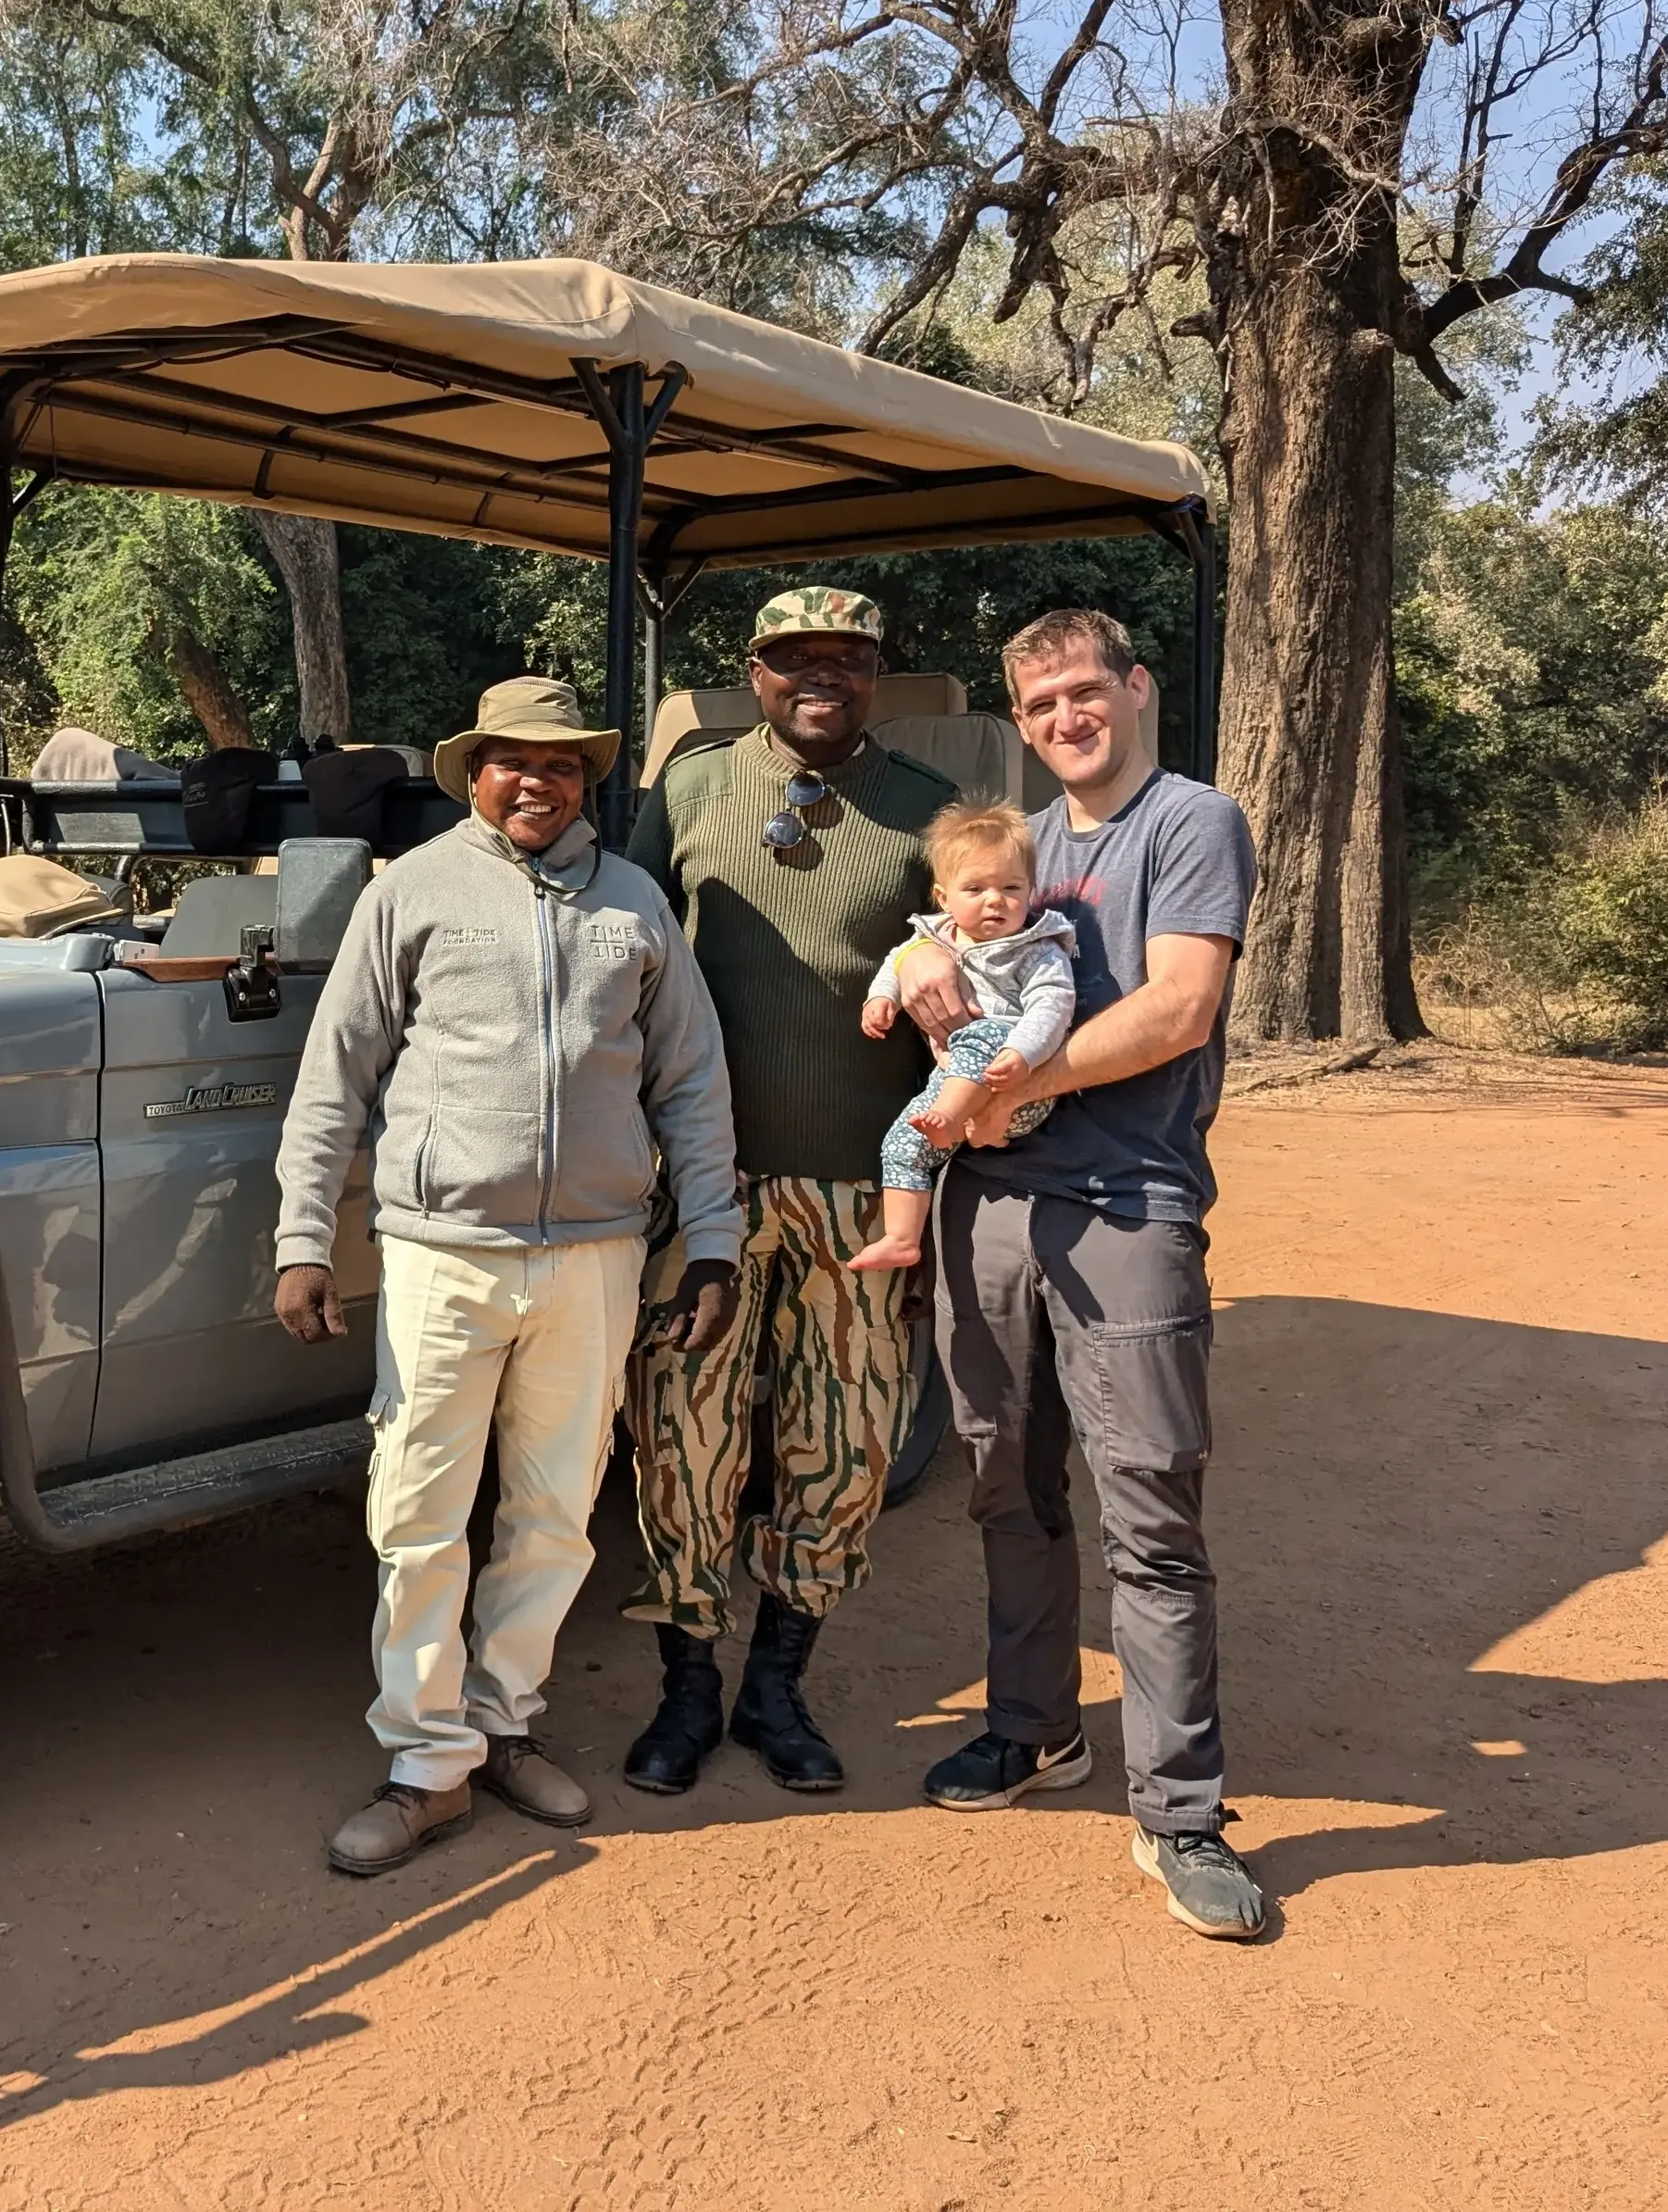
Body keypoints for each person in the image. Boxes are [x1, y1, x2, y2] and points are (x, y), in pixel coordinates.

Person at [274, 675, 743, 1878]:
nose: (537, 781)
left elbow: (690, 1083)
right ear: (473, 770)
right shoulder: (418, 890)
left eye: (563, 764)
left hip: (592, 1260)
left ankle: (502, 1722)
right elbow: (338, 1070)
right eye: (512, 761)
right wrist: (305, 1236)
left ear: (586, 780)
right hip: (441, 1255)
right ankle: (426, 1769)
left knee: (553, 1512)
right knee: (420, 1516)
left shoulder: (632, 905)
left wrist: (712, 1239)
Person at [892, 607, 1270, 1942]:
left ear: (1135, 688)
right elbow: (947, 925)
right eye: (1040, 700)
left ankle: (1180, 1813)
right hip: (991, 1208)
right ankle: (1034, 1729)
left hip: (1128, 1207)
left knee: (1151, 1507)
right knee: (1006, 1482)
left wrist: (1011, 1078)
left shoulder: (1190, 822)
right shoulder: (1023, 846)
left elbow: (1179, 1007)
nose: (1065, 717)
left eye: (1083, 690)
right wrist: (931, 953)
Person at [618, 589, 960, 1793]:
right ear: (752, 671)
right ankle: (688, 1688)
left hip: (865, 1198)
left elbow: (979, 1001)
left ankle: (777, 1688)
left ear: (879, 669)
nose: (822, 677)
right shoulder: (696, 788)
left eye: (850, 658)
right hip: (701, 1192)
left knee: (843, 1445)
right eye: (793, 658)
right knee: (682, 1437)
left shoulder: (933, 811)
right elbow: (629, 956)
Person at [847, 802, 1079, 1274]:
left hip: (1019, 1089)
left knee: (985, 1033)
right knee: (901, 1144)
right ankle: (901, 1238)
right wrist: (881, 1001)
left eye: (1011, 888)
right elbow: (895, 965)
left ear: (1031, 892)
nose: (995, 900)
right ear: (943, 896)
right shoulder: (935, 938)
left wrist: (1022, 1052)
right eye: (975, 889)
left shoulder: (1037, 950)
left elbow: (1053, 1008)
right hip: (951, 1086)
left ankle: (953, 1118)